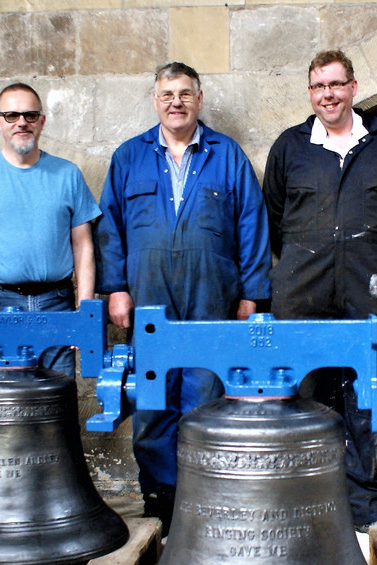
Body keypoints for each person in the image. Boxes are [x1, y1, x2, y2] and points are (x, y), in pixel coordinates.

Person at [96, 62, 272, 533]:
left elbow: (252, 225)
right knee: (152, 398)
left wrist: (251, 294)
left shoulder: (227, 155)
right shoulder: (129, 157)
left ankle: (202, 492)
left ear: (199, 98)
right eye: (167, 93)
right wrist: (115, 288)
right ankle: (161, 497)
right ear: (156, 100)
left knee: (204, 395)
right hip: (148, 297)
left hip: (211, 297)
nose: (176, 101)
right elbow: (110, 228)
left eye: (185, 93)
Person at [263, 50, 377, 531]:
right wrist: (308, 255)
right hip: (303, 295)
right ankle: (311, 498)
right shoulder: (290, 147)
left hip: (370, 294)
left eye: (336, 85)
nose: (327, 95)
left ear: (353, 87)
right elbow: (274, 218)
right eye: (318, 87)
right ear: (310, 93)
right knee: (307, 394)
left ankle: (366, 502)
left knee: (369, 396)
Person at [0, 83, 100, 380]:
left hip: (57, 302)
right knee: (3, 406)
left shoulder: (68, 174)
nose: (21, 122)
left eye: (30, 115)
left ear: (41, 121)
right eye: (11, 115)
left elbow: (84, 247)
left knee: (57, 401)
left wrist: (85, 313)